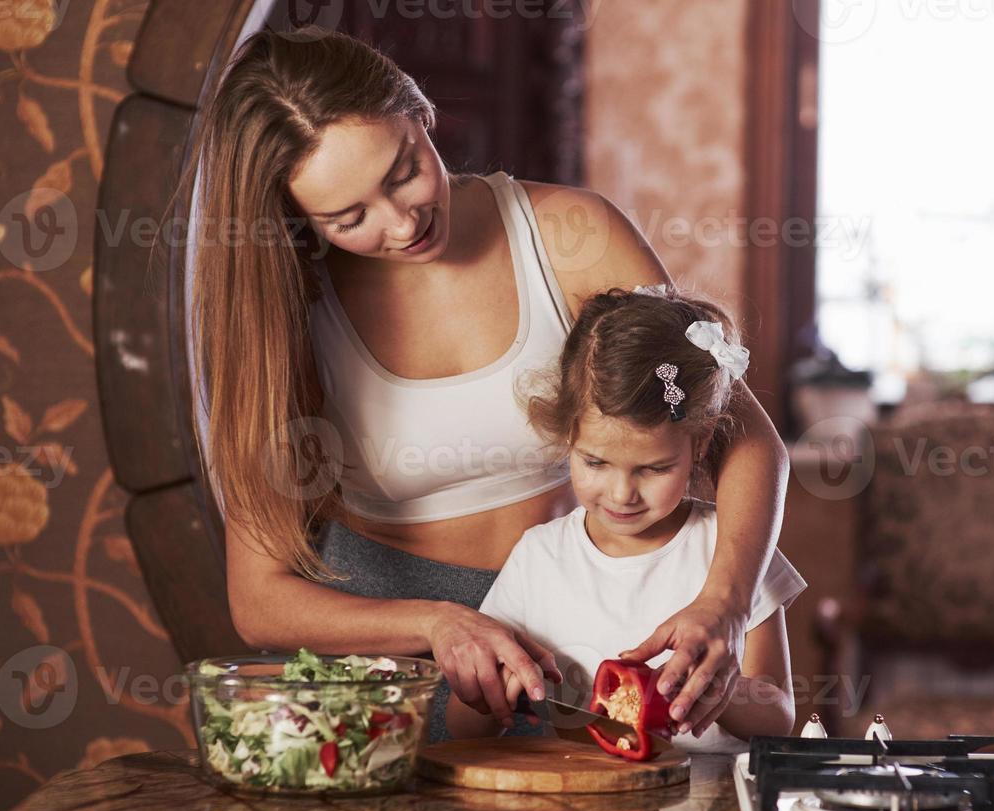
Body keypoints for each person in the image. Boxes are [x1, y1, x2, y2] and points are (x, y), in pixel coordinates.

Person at [178, 26, 791, 743]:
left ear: (421, 113)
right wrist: (435, 622)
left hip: (565, 634)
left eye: (404, 169)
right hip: (387, 663)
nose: (403, 222)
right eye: (349, 218)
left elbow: (743, 438)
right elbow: (260, 602)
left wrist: (725, 601)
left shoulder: (571, 236)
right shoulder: (284, 311)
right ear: (295, 217)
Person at [446, 287, 803, 750]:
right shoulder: (539, 557)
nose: (621, 494)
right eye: (595, 463)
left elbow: (779, 715)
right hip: (582, 809)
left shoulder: (732, 550)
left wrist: (717, 688)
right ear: (568, 435)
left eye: (654, 469)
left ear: (700, 442)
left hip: (712, 807)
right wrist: (485, 693)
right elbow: (463, 728)